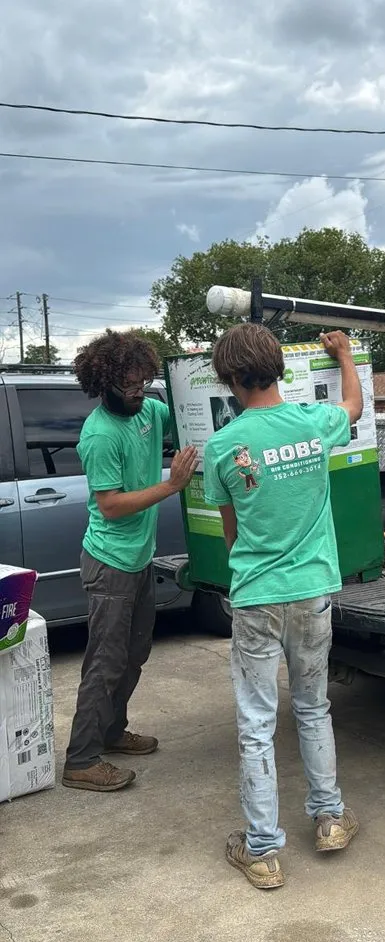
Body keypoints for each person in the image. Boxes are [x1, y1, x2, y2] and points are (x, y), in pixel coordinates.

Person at [203, 323, 363, 889]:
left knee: (256, 723)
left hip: (256, 597)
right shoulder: (313, 424)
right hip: (313, 590)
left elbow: (230, 534)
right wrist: (343, 354)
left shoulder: (222, 446)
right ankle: (329, 820)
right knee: (313, 707)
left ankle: (264, 850)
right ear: (281, 369)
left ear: (228, 379)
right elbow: (353, 404)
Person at [63, 331, 197, 792]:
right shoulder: (101, 435)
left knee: (134, 653)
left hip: (138, 559)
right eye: (129, 386)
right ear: (104, 384)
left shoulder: (148, 412)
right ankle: (81, 759)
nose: (139, 392)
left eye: (144, 382)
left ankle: (112, 732)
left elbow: (181, 419)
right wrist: (171, 486)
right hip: (110, 563)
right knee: (105, 660)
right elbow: (112, 505)